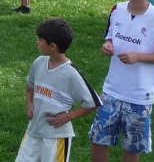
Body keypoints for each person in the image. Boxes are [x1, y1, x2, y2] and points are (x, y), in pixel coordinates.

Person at [89, 0, 154, 162]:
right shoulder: (117, 10)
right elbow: (110, 38)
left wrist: (139, 57)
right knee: (99, 138)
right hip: (111, 89)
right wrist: (107, 46)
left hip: (139, 95)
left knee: (132, 145)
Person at [15, 18, 101, 162]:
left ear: (52, 46)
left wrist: (67, 117)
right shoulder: (39, 63)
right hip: (33, 132)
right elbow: (30, 85)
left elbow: (93, 102)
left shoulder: (71, 74)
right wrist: (29, 102)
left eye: (40, 40)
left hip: (56, 137)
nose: (37, 42)